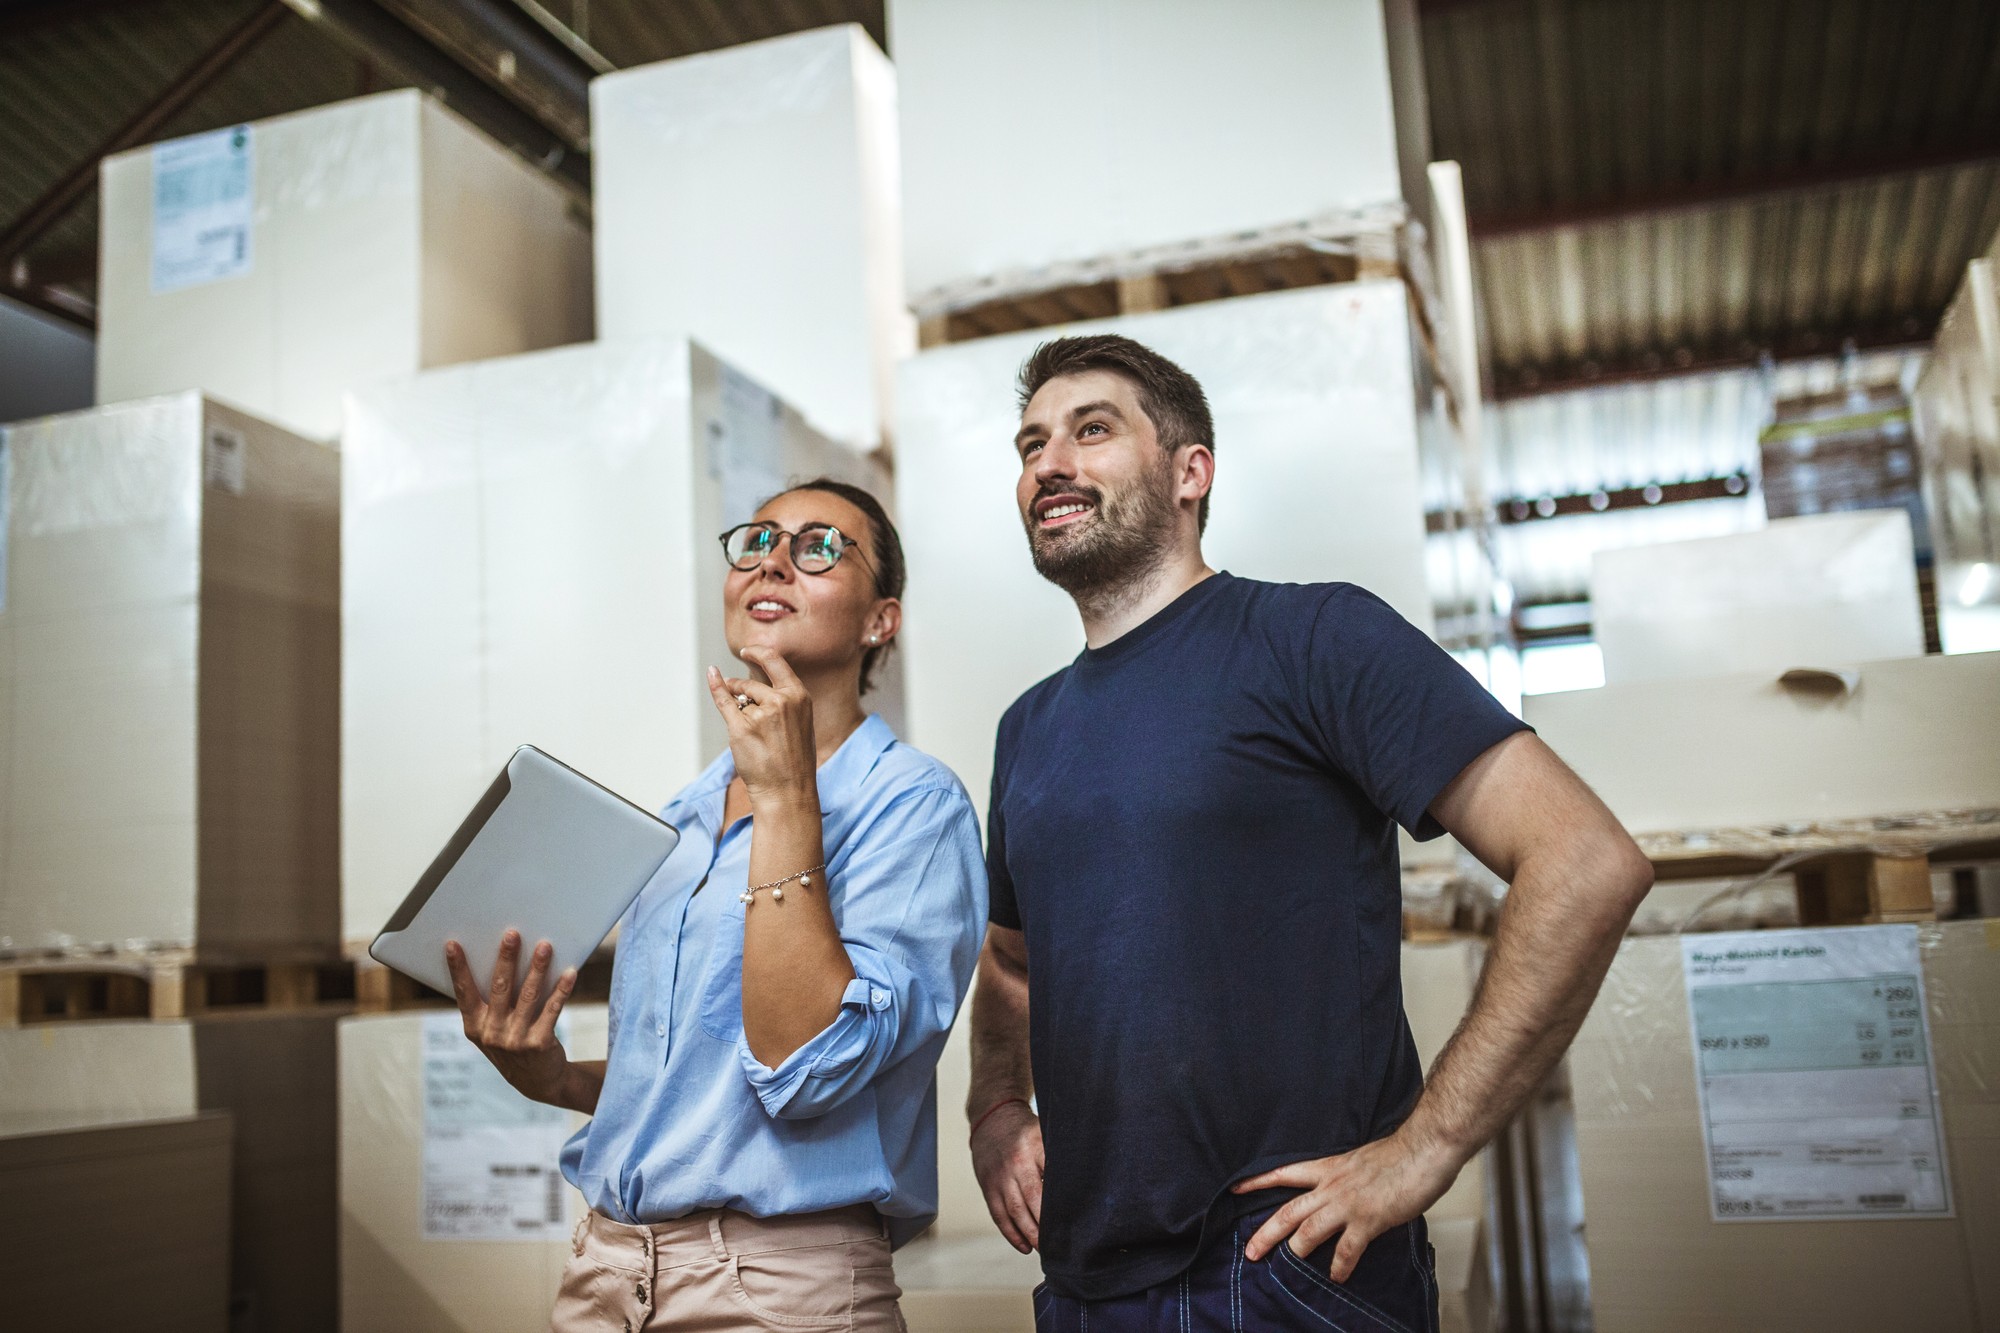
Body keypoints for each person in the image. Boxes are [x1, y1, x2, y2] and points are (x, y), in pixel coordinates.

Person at [966, 335, 1654, 1331]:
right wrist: (994, 1104)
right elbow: (1010, 961)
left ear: (1188, 470)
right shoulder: (1026, 727)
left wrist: (1426, 1145)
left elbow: (1584, 859)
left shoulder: (1312, 640)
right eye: (1029, 446)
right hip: (1084, 1283)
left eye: (1091, 431)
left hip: (1279, 1268)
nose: (1048, 465)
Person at [443, 478, 986, 1332]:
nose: (773, 559)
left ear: (882, 620)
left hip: (774, 1287)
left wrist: (785, 803)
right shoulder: (677, 821)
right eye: (759, 540)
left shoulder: (914, 806)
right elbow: (697, 1085)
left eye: (817, 547)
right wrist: (555, 1077)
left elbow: (808, 1067)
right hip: (605, 1269)